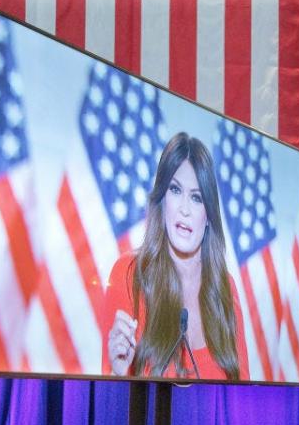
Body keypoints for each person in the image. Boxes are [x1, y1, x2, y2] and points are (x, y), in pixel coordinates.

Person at [104, 132, 249, 380]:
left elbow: (242, 394)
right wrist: (118, 373)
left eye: (196, 197)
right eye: (175, 190)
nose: (184, 209)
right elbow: (110, 400)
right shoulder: (129, 274)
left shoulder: (225, 287)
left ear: (208, 215)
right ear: (162, 201)